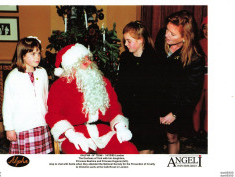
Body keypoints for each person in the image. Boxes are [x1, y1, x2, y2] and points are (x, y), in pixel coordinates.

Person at [45, 43, 139, 154]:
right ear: (72, 65)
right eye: (84, 61)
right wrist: (71, 135)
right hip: (75, 134)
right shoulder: (59, 86)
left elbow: (114, 106)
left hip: (103, 132)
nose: (89, 62)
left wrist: (120, 127)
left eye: (89, 59)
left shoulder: (103, 81)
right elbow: (53, 115)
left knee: (129, 150)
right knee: (79, 157)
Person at [156, 10, 205, 154]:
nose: (166, 35)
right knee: (153, 138)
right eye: (167, 30)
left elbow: (193, 92)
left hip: (177, 103)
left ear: (185, 37)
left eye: (172, 34)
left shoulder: (196, 57)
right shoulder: (162, 38)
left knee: (171, 137)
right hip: (158, 97)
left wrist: (175, 113)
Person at [2, 36, 53, 154]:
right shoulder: (13, 77)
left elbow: (46, 97)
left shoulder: (42, 72)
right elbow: (8, 105)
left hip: (41, 124)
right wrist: (9, 128)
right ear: (22, 55)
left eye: (39, 53)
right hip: (23, 126)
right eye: (33, 54)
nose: (37, 57)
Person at [116, 21, 160, 154]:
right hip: (130, 112)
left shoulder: (154, 60)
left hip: (147, 114)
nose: (126, 44)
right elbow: (121, 85)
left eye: (129, 41)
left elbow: (158, 90)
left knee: (145, 150)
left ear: (140, 40)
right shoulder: (125, 58)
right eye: (125, 41)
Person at [193, 16, 208, 134]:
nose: (207, 31)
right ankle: (195, 131)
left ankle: (208, 132)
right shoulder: (199, 44)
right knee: (196, 107)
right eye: (205, 28)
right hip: (200, 78)